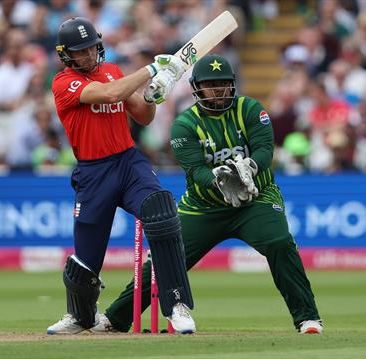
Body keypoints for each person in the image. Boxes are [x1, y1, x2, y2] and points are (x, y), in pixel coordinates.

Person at [92, 54, 323, 335]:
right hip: (204, 206)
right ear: (197, 88)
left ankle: (308, 318)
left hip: (256, 198)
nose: (218, 91)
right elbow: (195, 171)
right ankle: (116, 318)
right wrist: (218, 179)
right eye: (211, 85)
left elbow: (265, 149)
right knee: (163, 259)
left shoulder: (250, 108)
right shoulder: (185, 125)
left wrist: (249, 166)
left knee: (280, 243)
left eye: (223, 84)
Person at [46, 17, 195, 335]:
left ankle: (177, 305)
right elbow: (111, 94)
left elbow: (141, 114)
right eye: (80, 52)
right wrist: (150, 70)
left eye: (90, 49)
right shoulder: (64, 83)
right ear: (66, 55)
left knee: (161, 211)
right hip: (93, 173)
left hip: (129, 164)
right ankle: (82, 316)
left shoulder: (112, 70)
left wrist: (154, 95)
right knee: (83, 263)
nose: (87, 56)